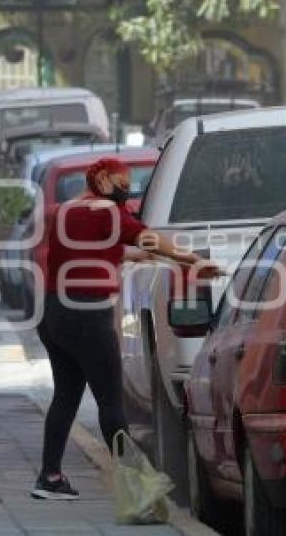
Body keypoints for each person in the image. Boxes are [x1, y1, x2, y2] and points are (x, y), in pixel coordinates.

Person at [31, 157, 224, 500]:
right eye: (121, 181)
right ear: (102, 180)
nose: (126, 187)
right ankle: (139, 489)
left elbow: (88, 248)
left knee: (65, 396)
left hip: (54, 314)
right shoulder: (107, 211)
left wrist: (129, 256)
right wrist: (194, 260)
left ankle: (50, 477)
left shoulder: (69, 209)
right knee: (110, 403)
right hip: (88, 317)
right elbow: (148, 239)